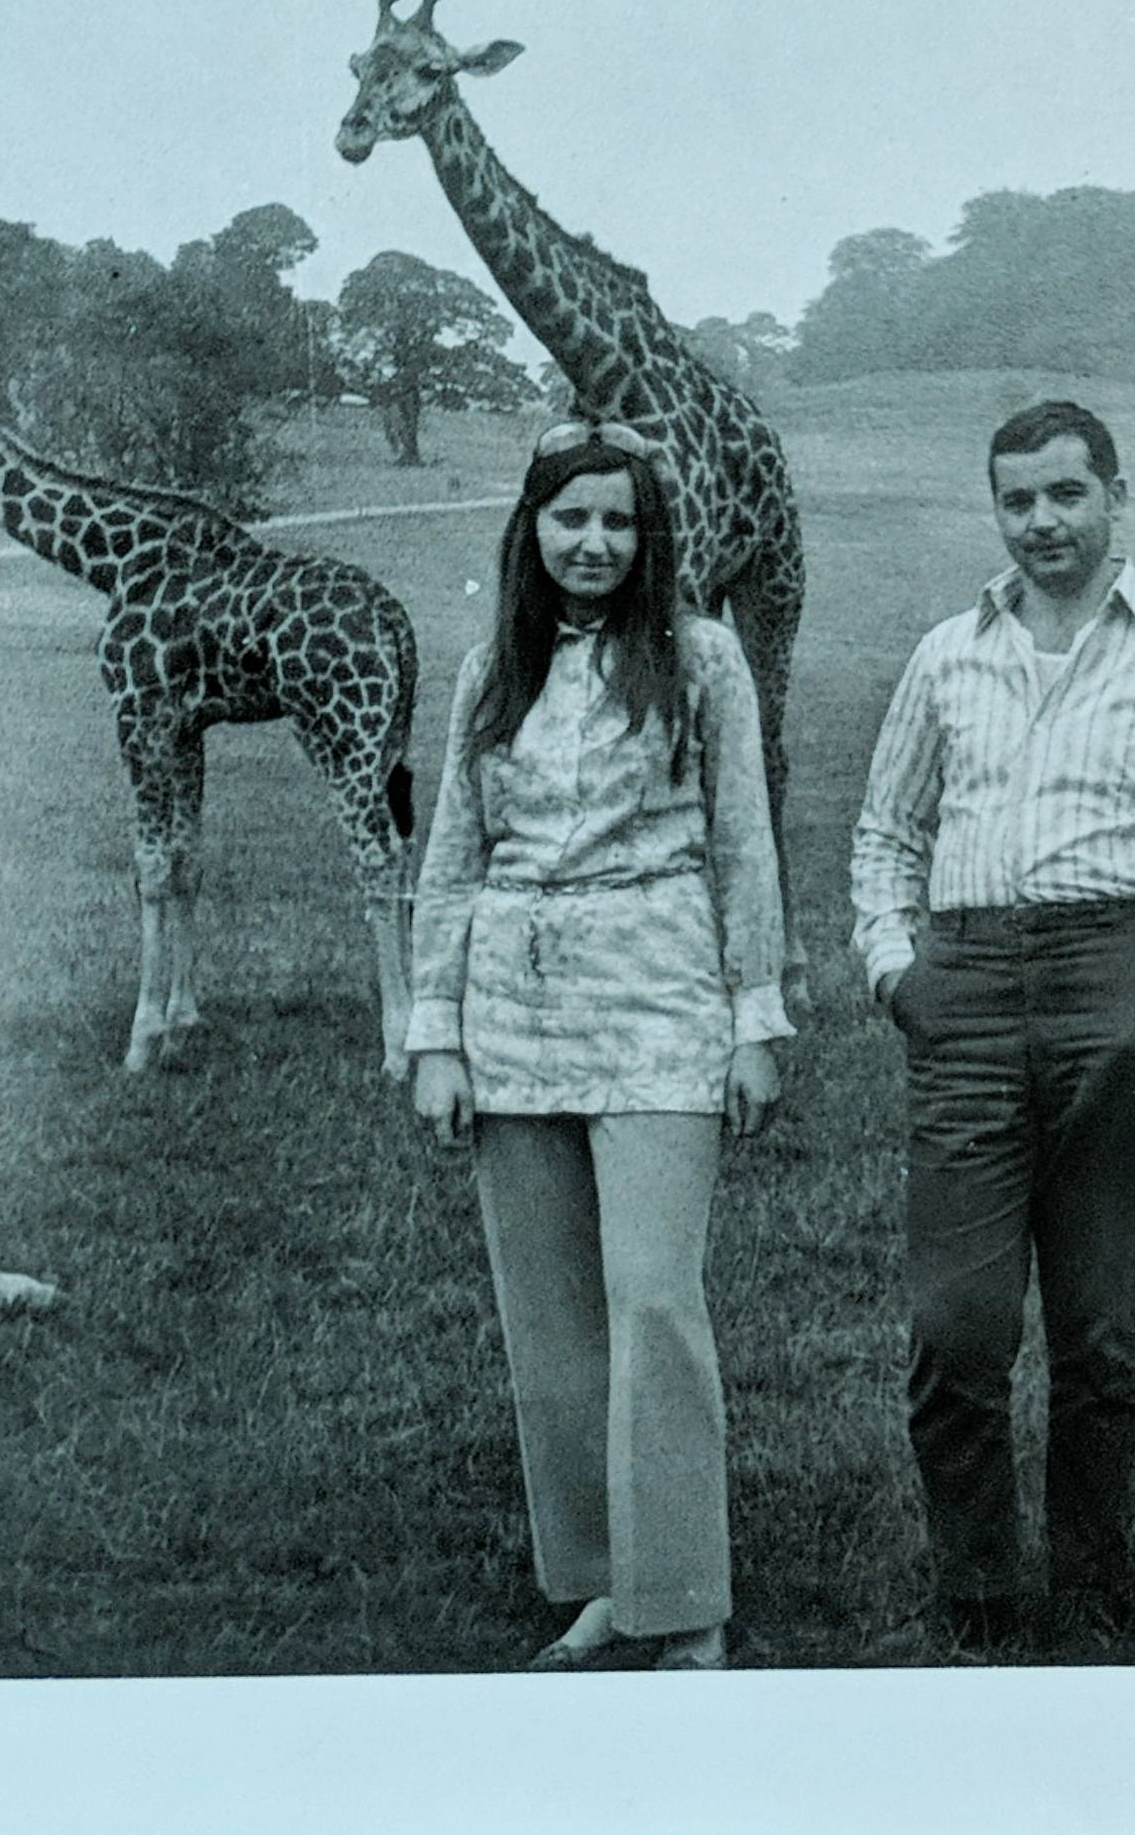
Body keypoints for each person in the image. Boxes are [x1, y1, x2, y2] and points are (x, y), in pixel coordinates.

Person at [850, 400, 1135, 1654]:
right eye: (1018, 500)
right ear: (996, 511)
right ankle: (980, 1590)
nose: (1043, 522)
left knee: (1099, 1327)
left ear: (1114, 495)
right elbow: (887, 830)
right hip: (969, 987)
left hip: (1119, 979)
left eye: (1066, 494)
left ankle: (1095, 1585)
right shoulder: (948, 656)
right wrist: (897, 969)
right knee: (957, 1325)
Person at [405, 418, 791, 1674]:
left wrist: (754, 1020)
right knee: (553, 1326)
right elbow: (453, 861)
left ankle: (687, 1602)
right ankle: (602, 1584)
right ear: (533, 531)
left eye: (618, 520)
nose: (594, 543)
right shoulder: (489, 674)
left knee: (654, 1305)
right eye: (570, 518)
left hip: (662, 1008)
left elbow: (744, 844)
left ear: (649, 535)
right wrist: (438, 1039)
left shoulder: (703, 660)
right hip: (513, 1019)